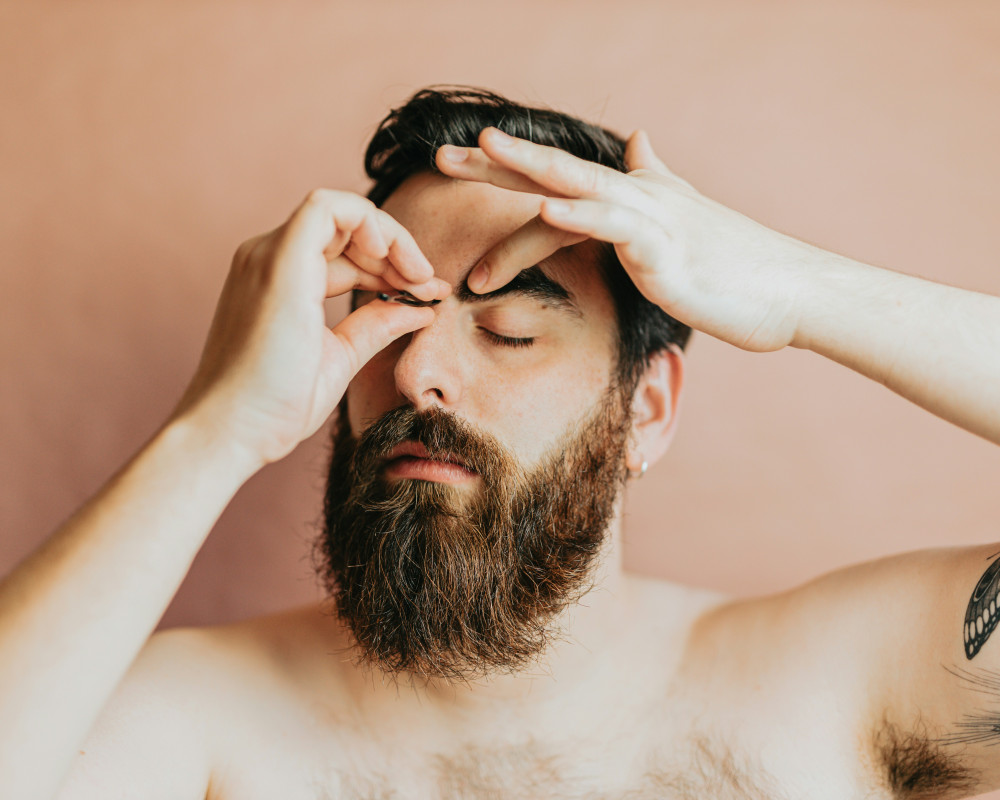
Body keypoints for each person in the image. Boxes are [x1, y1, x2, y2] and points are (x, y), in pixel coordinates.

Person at [2, 87, 999, 800]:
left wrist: (795, 288)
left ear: (646, 409)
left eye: (509, 330)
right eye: (387, 318)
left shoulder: (842, 689)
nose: (415, 374)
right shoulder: (197, 722)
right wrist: (219, 425)